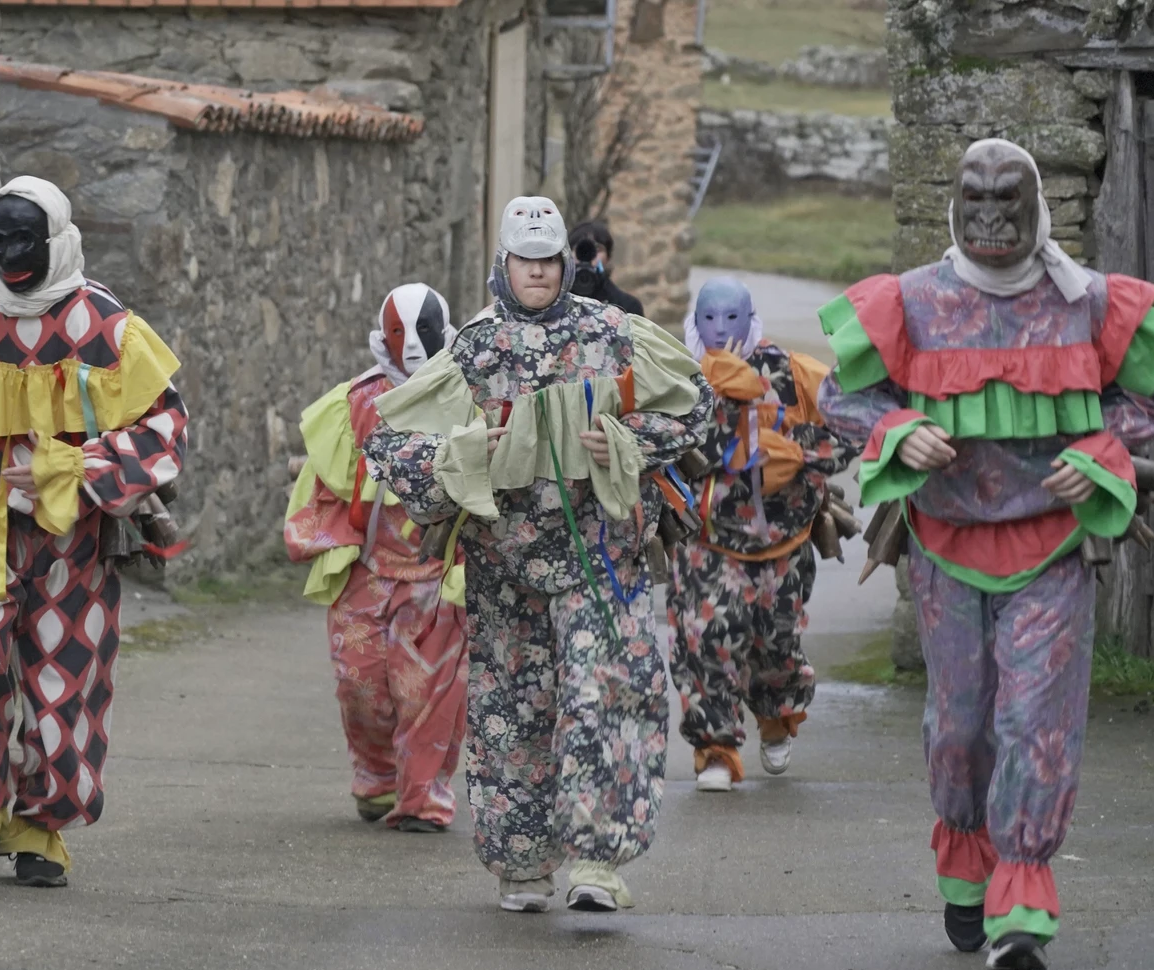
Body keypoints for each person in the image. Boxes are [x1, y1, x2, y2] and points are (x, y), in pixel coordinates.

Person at [819, 139, 1154, 970]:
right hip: (945, 547)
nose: (988, 216)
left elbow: (1149, 402)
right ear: (953, 201)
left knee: (1035, 722)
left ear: (1034, 207)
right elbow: (841, 394)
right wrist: (898, 431)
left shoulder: (1085, 301)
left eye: (1006, 199)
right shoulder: (910, 301)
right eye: (974, 197)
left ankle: (1021, 897)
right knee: (959, 724)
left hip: (1050, 547)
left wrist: (1097, 450)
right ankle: (964, 865)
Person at [365, 197, 710, 912]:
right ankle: (522, 864)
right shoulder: (471, 349)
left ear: (564, 263)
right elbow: (392, 446)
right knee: (512, 715)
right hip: (505, 570)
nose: (539, 274)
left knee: (603, 694)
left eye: (549, 261)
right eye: (526, 261)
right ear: (504, 264)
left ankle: (597, 862)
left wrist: (628, 441)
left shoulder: (613, 333)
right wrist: (461, 453)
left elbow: (694, 403)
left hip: (598, 559)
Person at [0, 176, 188, 888]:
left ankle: (39, 826)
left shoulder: (105, 326)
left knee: (66, 673)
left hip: (73, 538)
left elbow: (164, 428)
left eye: (26, 239)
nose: (12, 253)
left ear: (58, 239)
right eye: (0, 240)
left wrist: (72, 467)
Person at [283, 284, 470, 833]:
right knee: (359, 684)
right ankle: (377, 777)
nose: (412, 345)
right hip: (368, 572)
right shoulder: (356, 403)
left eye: (424, 332)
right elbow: (325, 479)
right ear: (381, 336)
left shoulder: (468, 396)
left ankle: (424, 799)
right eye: (398, 333)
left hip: (439, 575)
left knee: (430, 692)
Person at [669, 277, 861, 792]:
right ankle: (716, 750)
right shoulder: (674, 375)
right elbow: (651, 446)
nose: (721, 329)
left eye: (733, 318)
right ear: (695, 319)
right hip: (708, 545)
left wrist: (797, 452)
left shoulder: (795, 374)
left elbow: (854, 427)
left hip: (785, 546)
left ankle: (777, 719)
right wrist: (711, 411)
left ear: (751, 318)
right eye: (710, 318)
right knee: (707, 641)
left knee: (775, 646)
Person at [568, 219, 645, 316]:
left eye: (596, 249)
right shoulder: (556, 301)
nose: (588, 256)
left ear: (608, 257)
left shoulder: (627, 306)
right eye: (581, 249)